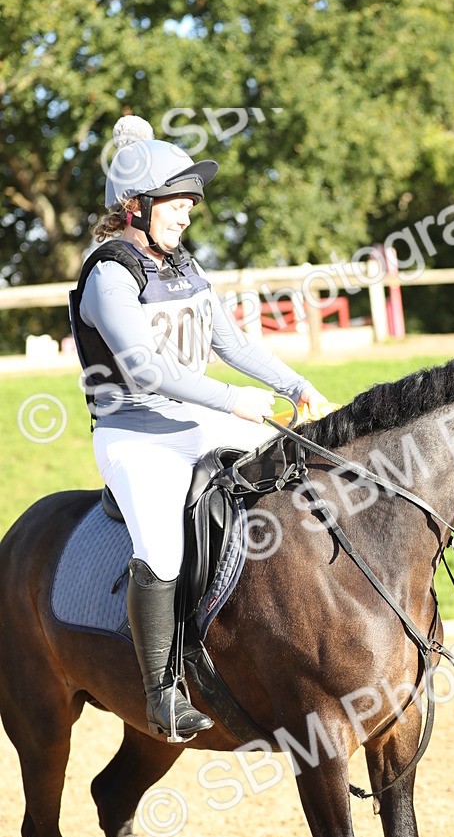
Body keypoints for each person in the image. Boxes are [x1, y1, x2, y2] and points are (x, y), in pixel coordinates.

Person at [74, 115, 326, 742]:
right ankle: (161, 691)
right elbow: (146, 368)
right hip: (136, 434)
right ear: (136, 205)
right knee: (159, 547)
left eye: (191, 202)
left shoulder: (183, 265)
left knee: (298, 470)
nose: (188, 213)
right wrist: (232, 400)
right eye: (176, 201)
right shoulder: (109, 273)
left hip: (202, 418)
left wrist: (290, 383)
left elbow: (229, 339)